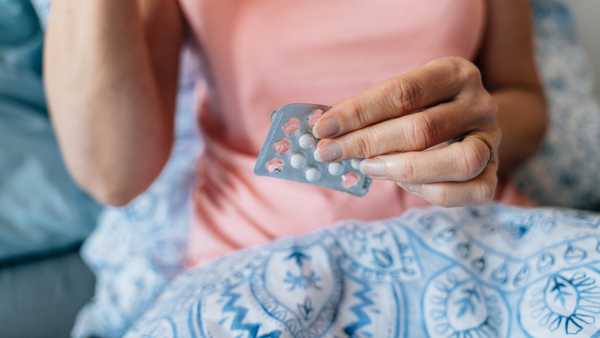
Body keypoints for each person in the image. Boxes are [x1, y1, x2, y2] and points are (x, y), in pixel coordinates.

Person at [45, 0, 547, 265]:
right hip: (256, 256)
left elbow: (524, 98)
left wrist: (478, 136)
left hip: (475, 238)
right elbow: (113, 174)